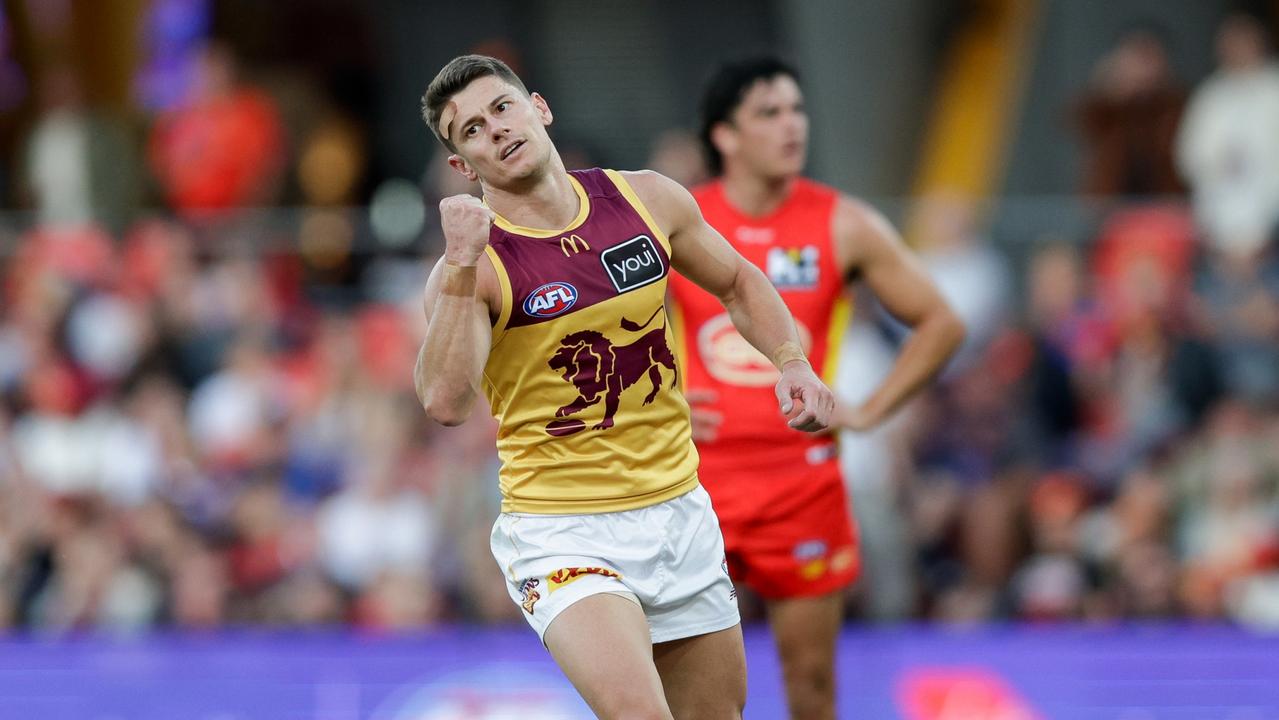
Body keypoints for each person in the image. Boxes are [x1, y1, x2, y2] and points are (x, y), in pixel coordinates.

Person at [413, 55, 837, 720]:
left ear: (539, 108)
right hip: (563, 531)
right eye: (469, 130)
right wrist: (462, 264)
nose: (493, 129)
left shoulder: (646, 197)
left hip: (679, 513)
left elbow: (739, 281)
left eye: (501, 107)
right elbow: (443, 402)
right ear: (462, 167)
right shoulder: (474, 265)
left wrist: (791, 362)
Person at [668, 57, 964, 720]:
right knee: (691, 696)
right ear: (724, 136)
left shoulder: (841, 224)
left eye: (796, 109)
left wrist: (866, 413)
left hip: (800, 481)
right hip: (692, 483)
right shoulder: (678, 222)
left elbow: (941, 323)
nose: (791, 125)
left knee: (811, 686)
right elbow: (602, 327)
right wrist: (658, 403)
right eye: (768, 113)